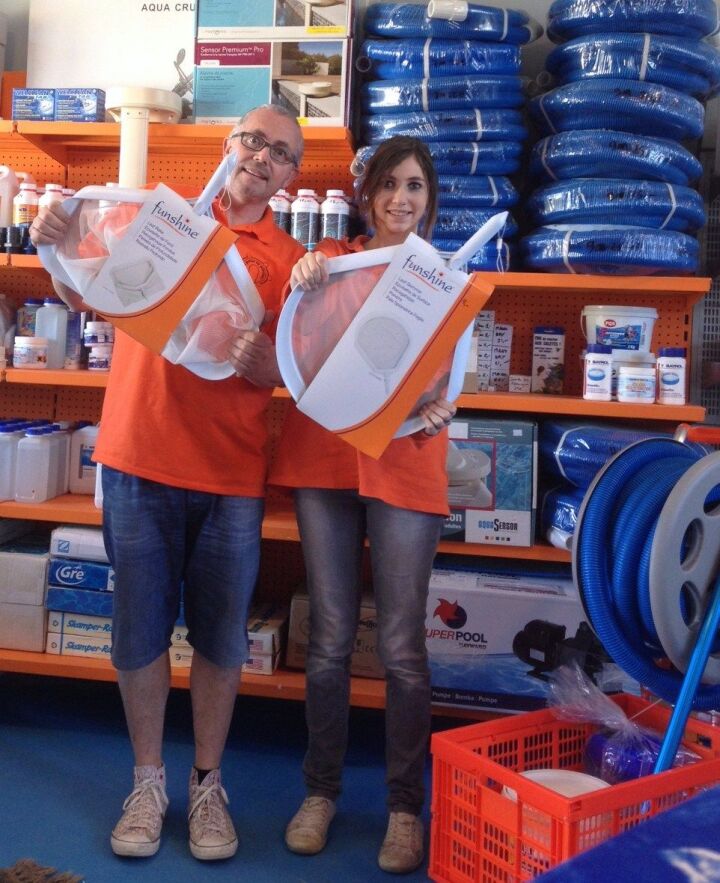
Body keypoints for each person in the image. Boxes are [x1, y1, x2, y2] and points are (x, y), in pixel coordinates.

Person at [29, 104, 306, 862]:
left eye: (280, 153)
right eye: (253, 140)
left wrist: (272, 368)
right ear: (229, 144)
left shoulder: (289, 262)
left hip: (230, 474)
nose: (262, 157)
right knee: (139, 628)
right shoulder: (160, 216)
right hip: (138, 456)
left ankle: (208, 784)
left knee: (221, 637)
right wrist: (52, 240)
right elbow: (83, 290)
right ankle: (147, 780)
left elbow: (302, 368)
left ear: (290, 176)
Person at [270, 135, 456, 875]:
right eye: (388, 185)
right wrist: (302, 280)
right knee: (329, 637)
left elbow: (449, 375)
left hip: (406, 461)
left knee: (404, 646)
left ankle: (405, 808)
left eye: (414, 186)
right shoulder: (330, 263)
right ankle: (320, 793)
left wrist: (442, 408)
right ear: (367, 195)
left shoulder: (441, 279)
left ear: (429, 198)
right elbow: (298, 342)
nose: (400, 199)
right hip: (325, 458)